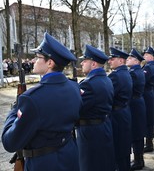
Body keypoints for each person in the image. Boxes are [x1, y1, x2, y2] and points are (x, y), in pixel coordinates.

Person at [2, 32, 81, 171]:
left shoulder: (31, 98)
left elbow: (10, 142)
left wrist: (15, 110)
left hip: (44, 163)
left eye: (38, 57)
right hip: (69, 156)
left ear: (50, 63)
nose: (34, 60)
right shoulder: (74, 87)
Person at [77, 45, 115, 171]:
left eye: (85, 60)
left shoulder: (89, 84)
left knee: (89, 165)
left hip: (90, 133)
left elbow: (77, 109)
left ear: (93, 64)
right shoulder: (106, 79)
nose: (82, 63)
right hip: (103, 127)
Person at [108, 47, 133, 171]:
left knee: (118, 148)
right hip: (124, 111)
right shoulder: (125, 72)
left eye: (112, 59)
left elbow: (107, 96)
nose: (109, 61)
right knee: (124, 146)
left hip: (117, 115)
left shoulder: (116, 76)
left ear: (121, 61)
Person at [126, 48, 146, 170]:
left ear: (136, 61)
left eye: (129, 58)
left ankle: (139, 161)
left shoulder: (133, 73)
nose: (127, 59)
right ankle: (139, 158)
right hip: (138, 102)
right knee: (137, 131)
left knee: (136, 132)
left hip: (134, 103)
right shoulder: (139, 71)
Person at [142, 46, 154, 153]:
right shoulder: (153, 66)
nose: (144, 56)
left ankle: (149, 143)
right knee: (150, 117)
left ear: (151, 56)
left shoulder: (148, 68)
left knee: (148, 119)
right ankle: (149, 141)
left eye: (146, 55)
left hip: (147, 94)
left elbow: (142, 81)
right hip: (150, 92)